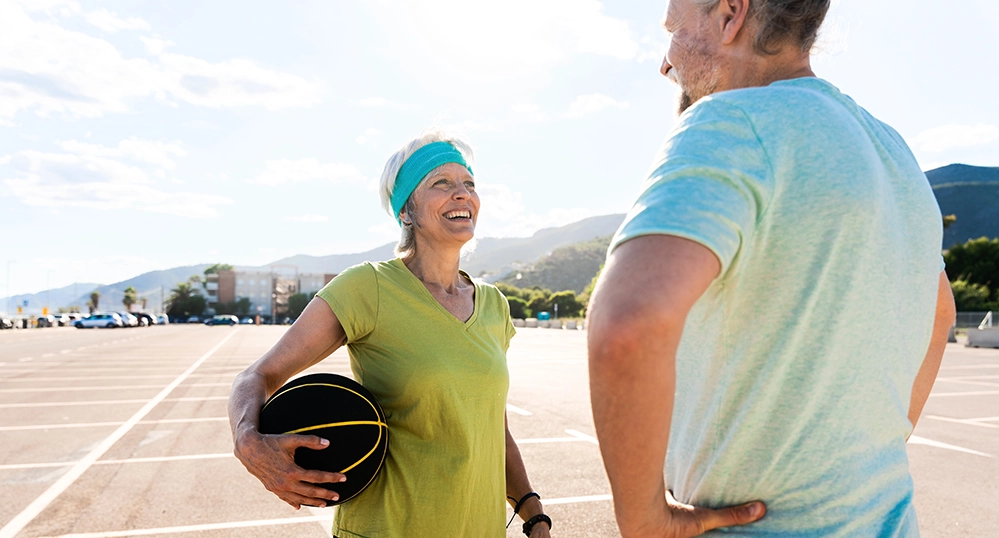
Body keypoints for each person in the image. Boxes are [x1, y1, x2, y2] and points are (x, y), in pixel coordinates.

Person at [587, 0, 955, 536]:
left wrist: (643, 520)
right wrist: (880, 445)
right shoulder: (893, 151)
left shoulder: (732, 120)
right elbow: (940, 312)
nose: (665, 63)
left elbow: (627, 326)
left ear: (731, 15)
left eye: (673, 29)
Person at [228, 130, 553, 538]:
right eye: (441, 183)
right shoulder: (368, 288)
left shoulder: (493, 306)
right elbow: (257, 376)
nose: (462, 194)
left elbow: (494, 431)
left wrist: (533, 514)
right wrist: (248, 442)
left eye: (469, 184)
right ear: (406, 212)